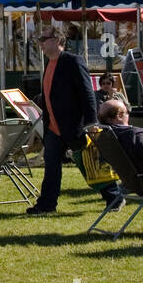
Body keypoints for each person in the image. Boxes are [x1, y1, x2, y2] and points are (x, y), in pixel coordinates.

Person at [33, 24, 113, 214]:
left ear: (58, 41)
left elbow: (87, 94)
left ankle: (113, 194)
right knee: (51, 167)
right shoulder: (49, 64)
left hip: (73, 125)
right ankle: (46, 205)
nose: (40, 43)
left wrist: (91, 122)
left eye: (44, 39)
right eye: (40, 40)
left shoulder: (73, 61)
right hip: (53, 126)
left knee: (88, 164)